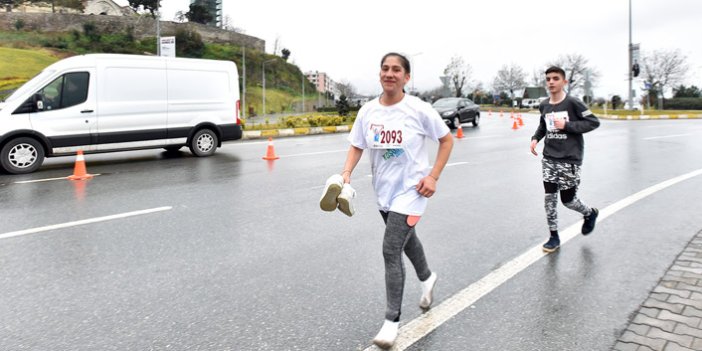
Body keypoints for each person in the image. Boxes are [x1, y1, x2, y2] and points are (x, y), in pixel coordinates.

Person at [320, 52, 453, 349]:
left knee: (391, 250)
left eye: (396, 70)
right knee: (407, 241)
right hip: (385, 193)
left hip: (413, 193)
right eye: (385, 69)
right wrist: (345, 174)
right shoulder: (368, 111)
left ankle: (392, 321)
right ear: (379, 74)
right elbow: (357, 144)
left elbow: (446, 140)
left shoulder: (418, 109)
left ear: (406, 77)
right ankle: (428, 277)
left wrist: (433, 176)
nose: (389, 74)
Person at [530, 66, 600, 253]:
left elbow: (593, 122)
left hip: (569, 159)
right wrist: (535, 139)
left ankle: (589, 213)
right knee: (549, 199)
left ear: (564, 82)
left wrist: (567, 125)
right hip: (549, 158)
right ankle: (554, 236)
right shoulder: (544, 105)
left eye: (555, 78)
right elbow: (543, 125)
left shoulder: (573, 103)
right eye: (548, 79)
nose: (551, 82)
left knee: (568, 201)